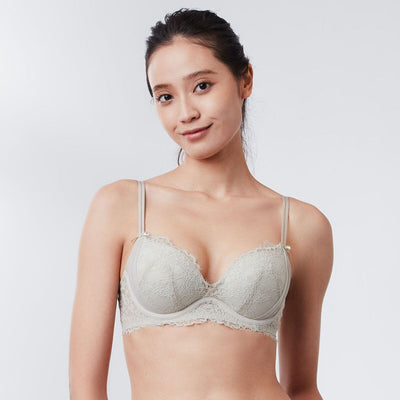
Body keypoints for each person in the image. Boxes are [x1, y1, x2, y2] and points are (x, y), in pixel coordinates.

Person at [69, 8, 333, 400]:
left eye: (202, 86)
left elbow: (303, 387)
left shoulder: (301, 225)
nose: (186, 113)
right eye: (165, 97)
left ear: (245, 80)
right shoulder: (122, 207)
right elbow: (86, 389)